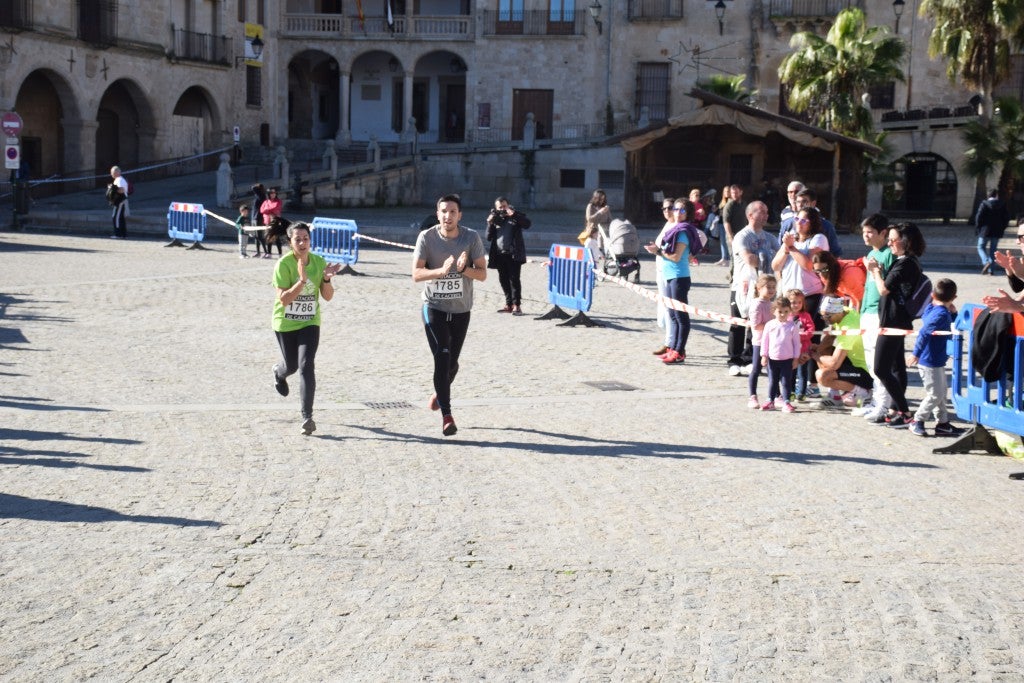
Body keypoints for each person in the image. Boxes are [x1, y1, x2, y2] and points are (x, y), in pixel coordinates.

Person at [412, 194, 487, 437]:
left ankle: (438, 391)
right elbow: (416, 274)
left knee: (452, 363)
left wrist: (464, 269)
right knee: (442, 357)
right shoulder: (427, 237)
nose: (448, 216)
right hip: (433, 306)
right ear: (438, 214)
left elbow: (483, 274)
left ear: (459, 215)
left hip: (461, 309)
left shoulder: (471, 237)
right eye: (443, 211)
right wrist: (440, 271)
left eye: (452, 212)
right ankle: (447, 415)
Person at [271, 222, 343, 436]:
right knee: (291, 366)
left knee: (306, 364)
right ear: (290, 242)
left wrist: (327, 278)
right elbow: (284, 300)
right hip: (285, 322)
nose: (302, 243)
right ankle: (279, 372)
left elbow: (327, 297)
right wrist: (302, 281)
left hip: (309, 321)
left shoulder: (319, 262)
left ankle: (307, 417)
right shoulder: (284, 265)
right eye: (297, 239)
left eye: (306, 239)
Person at [865, 222, 926, 428]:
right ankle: (895, 410)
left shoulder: (906, 263)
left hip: (893, 322)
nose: (889, 242)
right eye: (889, 238)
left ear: (905, 241)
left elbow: (884, 289)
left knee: (881, 368)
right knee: (896, 366)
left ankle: (905, 411)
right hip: (893, 320)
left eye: (893, 239)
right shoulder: (904, 261)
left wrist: (874, 271)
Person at [908, 278, 966, 437]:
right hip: (929, 361)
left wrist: (953, 313)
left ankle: (943, 423)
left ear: (933, 295)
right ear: (954, 297)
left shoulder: (932, 308)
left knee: (941, 392)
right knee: (935, 394)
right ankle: (917, 420)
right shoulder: (940, 314)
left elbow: (951, 323)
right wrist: (915, 354)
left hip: (936, 360)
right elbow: (924, 332)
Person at [728, 201, 778, 375]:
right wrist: (767, 255)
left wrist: (768, 256)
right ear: (750, 215)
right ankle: (734, 360)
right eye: (761, 212)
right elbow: (750, 260)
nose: (766, 215)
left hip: (763, 289)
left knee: (757, 324)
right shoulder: (742, 236)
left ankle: (750, 358)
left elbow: (780, 259)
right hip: (742, 286)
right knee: (737, 323)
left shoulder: (770, 237)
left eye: (766, 212)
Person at [856, 213, 897, 423]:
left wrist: (874, 272)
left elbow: (887, 286)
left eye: (870, 232)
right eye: (864, 232)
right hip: (866, 311)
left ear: (883, 233)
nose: (866, 236)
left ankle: (884, 404)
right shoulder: (872, 253)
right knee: (870, 361)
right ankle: (875, 401)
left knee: (879, 362)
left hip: (879, 314)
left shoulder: (888, 254)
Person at [644, 199, 695, 365]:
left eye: (682, 210)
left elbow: (676, 257)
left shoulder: (682, 231)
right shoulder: (673, 228)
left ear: (688, 214)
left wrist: (657, 251)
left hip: (679, 277)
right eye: (676, 209)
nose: (677, 213)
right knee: (672, 314)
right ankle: (672, 348)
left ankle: (680, 352)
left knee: (680, 316)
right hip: (669, 276)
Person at [812, 296, 874, 409]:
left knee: (822, 376)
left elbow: (835, 363)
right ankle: (835, 396)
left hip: (865, 370)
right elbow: (830, 337)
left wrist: (814, 355)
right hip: (853, 362)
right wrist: (818, 348)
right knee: (822, 349)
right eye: (823, 316)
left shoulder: (849, 328)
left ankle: (864, 393)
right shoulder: (844, 311)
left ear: (838, 312)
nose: (825, 320)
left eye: (827, 316)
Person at [771, 207, 828, 327]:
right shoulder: (792, 238)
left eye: (803, 220)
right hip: (789, 294)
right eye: (797, 218)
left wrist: (792, 248)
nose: (798, 222)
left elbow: (808, 265)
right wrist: (786, 249)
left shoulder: (818, 239)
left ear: (812, 223)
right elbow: (775, 266)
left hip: (809, 293)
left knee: (805, 331)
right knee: (787, 329)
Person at [485, 196, 531, 315]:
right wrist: (490, 223)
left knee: (514, 280)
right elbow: (488, 237)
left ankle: (517, 305)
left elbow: (527, 224)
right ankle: (508, 304)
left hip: (513, 254)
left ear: (508, 205)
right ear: (496, 208)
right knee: (503, 280)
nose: (502, 209)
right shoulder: (496, 219)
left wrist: (514, 214)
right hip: (499, 254)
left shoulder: (515, 216)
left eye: (504, 206)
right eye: (500, 207)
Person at [760, 295, 800, 413]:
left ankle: (786, 402)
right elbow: (765, 341)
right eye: (780, 311)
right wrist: (764, 355)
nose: (783, 314)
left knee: (786, 381)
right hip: (772, 359)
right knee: (773, 381)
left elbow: (797, 344)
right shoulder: (769, 325)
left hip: (787, 360)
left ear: (790, 311)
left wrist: (796, 358)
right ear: (774, 311)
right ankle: (770, 401)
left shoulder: (792, 326)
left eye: (786, 311)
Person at [781, 189, 843, 257]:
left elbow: (835, 254)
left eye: (804, 201)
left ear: (813, 203)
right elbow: (779, 248)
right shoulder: (788, 224)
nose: (800, 205)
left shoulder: (826, 226)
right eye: (798, 202)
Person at [746, 273, 777, 408]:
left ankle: (776, 395)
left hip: (773, 342)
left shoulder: (772, 304)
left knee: (773, 370)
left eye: (773, 287)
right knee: (756, 369)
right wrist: (774, 325)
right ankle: (752, 396)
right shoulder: (757, 304)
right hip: (759, 342)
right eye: (768, 287)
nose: (771, 290)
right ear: (759, 288)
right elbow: (756, 325)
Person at [652, 198, 677, 355]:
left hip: (670, 270)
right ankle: (669, 341)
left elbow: (700, 237)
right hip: (660, 269)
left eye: (670, 208)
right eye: (664, 208)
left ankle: (671, 343)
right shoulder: (668, 224)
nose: (666, 211)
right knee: (665, 307)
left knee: (671, 309)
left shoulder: (677, 226)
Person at [786, 289, 816, 401]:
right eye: (793, 302)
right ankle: (791, 392)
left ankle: (802, 393)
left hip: (804, 349)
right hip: (790, 350)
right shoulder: (786, 316)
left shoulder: (806, 315)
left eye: (799, 302)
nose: (796, 305)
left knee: (802, 372)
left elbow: (811, 330)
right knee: (791, 372)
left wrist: (799, 337)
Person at [975, 188, 1010, 275]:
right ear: (996, 195)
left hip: (985, 230)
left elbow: (979, 217)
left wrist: (978, 228)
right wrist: (1003, 228)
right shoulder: (1002, 204)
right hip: (997, 230)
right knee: (993, 251)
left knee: (980, 247)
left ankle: (986, 261)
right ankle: (991, 271)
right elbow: (1006, 218)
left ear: (988, 195)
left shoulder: (984, 204)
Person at [722, 184, 746, 257]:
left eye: (736, 192)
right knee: (734, 258)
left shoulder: (744, 203)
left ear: (741, 192)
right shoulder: (729, 205)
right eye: (732, 193)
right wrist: (730, 237)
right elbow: (726, 222)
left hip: (742, 234)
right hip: (733, 235)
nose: (734, 195)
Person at [260, 187, 284, 257]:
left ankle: (280, 253)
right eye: (271, 193)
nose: (273, 194)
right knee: (268, 237)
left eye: (274, 193)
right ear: (268, 194)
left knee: (276, 238)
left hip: (275, 221)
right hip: (267, 222)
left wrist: (267, 210)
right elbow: (261, 210)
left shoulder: (278, 201)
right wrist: (269, 211)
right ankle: (269, 253)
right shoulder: (266, 201)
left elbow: (276, 207)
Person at [108, 166, 129, 239]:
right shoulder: (118, 179)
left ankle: (118, 234)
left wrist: (113, 189)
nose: (111, 174)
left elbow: (121, 190)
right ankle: (123, 234)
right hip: (119, 201)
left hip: (120, 201)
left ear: (116, 172)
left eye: (112, 172)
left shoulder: (120, 180)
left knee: (116, 217)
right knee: (120, 218)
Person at [250, 183, 269, 258]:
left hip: (259, 218)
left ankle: (266, 252)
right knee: (256, 236)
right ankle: (258, 252)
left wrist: (258, 186)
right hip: (254, 217)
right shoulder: (258, 195)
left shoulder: (262, 196)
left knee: (259, 236)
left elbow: (253, 187)